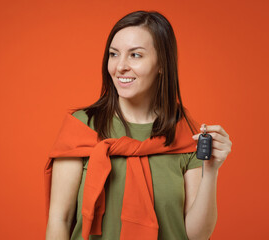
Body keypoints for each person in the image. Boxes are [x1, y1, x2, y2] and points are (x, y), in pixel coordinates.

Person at [45, 10, 232, 240]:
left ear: (162, 64)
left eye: (135, 55)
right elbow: (59, 219)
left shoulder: (186, 134)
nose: (120, 66)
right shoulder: (83, 128)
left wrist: (211, 171)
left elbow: (196, 235)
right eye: (114, 54)